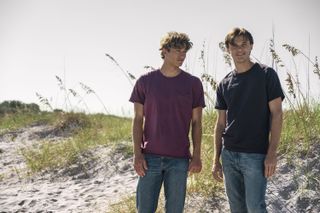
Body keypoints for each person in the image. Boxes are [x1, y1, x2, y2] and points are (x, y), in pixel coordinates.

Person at [129, 31, 205, 213]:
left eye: (185, 51)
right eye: (178, 50)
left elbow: (197, 123)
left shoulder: (193, 83)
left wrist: (196, 156)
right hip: (149, 158)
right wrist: (137, 154)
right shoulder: (145, 81)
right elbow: (138, 119)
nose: (182, 55)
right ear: (164, 50)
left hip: (179, 160)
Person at [212, 27, 285, 213]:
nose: (239, 50)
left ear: (251, 46)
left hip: (255, 155)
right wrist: (216, 160)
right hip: (228, 155)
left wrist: (272, 152)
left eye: (244, 44)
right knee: (236, 208)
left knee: (255, 207)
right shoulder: (224, 84)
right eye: (234, 45)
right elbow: (220, 124)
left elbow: (277, 114)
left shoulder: (267, 74)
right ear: (228, 49)